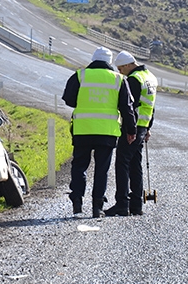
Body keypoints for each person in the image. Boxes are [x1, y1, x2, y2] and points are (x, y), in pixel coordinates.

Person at [61, 47, 137, 218]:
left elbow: (69, 99)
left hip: (83, 130)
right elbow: (127, 108)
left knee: (80, 166)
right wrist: (131, 130)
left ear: (93, 59)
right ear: (110, 62)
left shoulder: (80, 75)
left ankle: (77, 203)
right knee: (102, 170)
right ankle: (97, 208)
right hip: (107, 132)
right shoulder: (119, 79)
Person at [104, 50, 158, 216]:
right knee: (136, 165)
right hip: (142, 126)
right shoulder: (150, 77)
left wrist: (129, 130)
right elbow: (151, 106)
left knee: (122, 163)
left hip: (132, 127)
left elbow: (130, 107)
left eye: (121, 69)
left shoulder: (134, 80)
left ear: (128, 65)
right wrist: (148, 128)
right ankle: (136, 205)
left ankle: (122, 204)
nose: (120, 72)